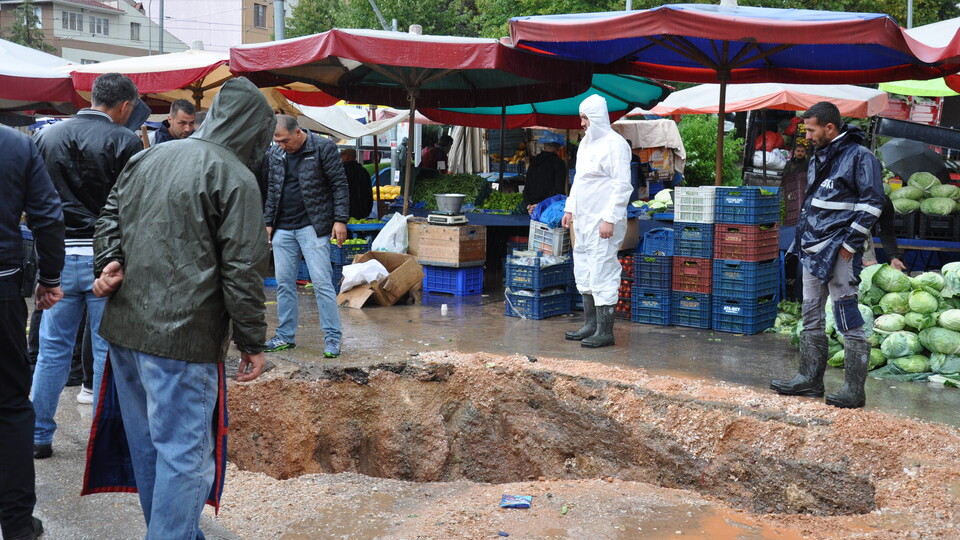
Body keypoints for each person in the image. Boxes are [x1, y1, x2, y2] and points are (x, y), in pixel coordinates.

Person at [91, 77, 273, 539]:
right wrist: (252, 340)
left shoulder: (148, 155)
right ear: (254, 130)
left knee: (151, 447)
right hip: (183, 339)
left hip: (126, 331)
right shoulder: (235, 176)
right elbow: (243, 269)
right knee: (184, 456)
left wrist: (110, 259)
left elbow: (108, 216)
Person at [31, 72, 141, 459]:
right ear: (125, 106)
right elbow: (131, 207)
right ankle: (104, 442)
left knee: (51, 353)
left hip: (56, 259)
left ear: (92, 97)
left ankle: (37, 436)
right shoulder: (126, 140)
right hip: (104, 261)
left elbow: (36, 202)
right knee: (106, 352)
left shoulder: (46, 136)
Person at [771, 101, 885, 409]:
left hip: (839, 252)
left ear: (829, 128)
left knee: (847, 316)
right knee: (810, 314)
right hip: (811, 248)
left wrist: (850, 245)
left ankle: (853, 390)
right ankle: (809, 379)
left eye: (810, 130)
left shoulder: (861, 157)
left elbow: (874, 202)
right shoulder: (818, 157)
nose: (806, 136)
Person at [0, 125, 64, 540]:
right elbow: (47, 215)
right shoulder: (16, 143)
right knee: (9, 406)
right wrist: (50, 276)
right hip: (2, 287)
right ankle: (18, 523)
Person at [263, 115, 350, 357]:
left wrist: (340, 219)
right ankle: (285, 336)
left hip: (314, 226)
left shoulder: (323, 148)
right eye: (277, 141)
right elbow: (272, 189)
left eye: (284, 140)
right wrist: (268, 222)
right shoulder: (276, 154)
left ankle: (332, 337)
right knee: (284, 284)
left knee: (322, 283)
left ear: (298, 132)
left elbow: (339, 185)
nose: (281, 145)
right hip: (283, 227)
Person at [561, 94, 633, 348]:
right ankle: (590, 324)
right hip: (583, 220)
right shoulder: (585, 145)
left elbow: (622, 185)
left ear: (597, 117)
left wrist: (610, 218)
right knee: (584, 268)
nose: (582, 123)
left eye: (585, 118)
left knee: (603, 269)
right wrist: (570, 210)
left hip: (604, 221)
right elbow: (579, 180)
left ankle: (605, 331)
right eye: (581, 117)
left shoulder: (616, 144)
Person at [524, 132, 568, 214]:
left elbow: (527, 185)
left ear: (544, 146)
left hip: (532, 206)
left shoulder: (534, 161)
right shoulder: (558, 163)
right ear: (557, 147)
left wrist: (529, 204)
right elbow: (558, 188)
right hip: (549, 207)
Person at [862, 196, 907, 271]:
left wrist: (894, 258)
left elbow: (887, 231)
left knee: (868, 270)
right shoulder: (852, 197)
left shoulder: (884, 201)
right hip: (840, 232)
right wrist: (859, 259)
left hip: (864, 233)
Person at [341, 148, 374, 219]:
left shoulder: (342, 171)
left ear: (347, 157)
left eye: (342, 155)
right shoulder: (363, 171)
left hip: (346, 209)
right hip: (363, 209)